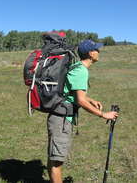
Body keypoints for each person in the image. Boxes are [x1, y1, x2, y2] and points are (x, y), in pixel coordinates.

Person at [47, 39, 119, 183]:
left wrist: (90, 100)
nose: (99, 52)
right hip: (61, 120)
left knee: (54, 158)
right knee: (57, 163)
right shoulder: (81, 71)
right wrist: (103, 114)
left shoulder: (76, 66)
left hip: (59, 117)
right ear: (91, 53)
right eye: (97, 50)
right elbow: (80, 100)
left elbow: (72, 92)